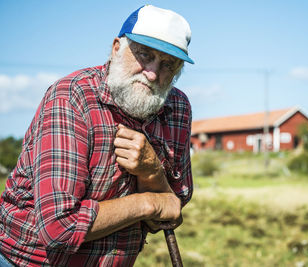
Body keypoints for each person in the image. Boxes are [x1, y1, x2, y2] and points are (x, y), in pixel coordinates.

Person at [0, 5, 194, 266]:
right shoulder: (72, 97)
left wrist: (151, 172)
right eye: (145, 55)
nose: (152, 73)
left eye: (167, 64)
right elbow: (60, 228)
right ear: (117, 49)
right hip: (27, 261)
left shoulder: (176, 109)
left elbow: (171, 207)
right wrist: (148, 202)